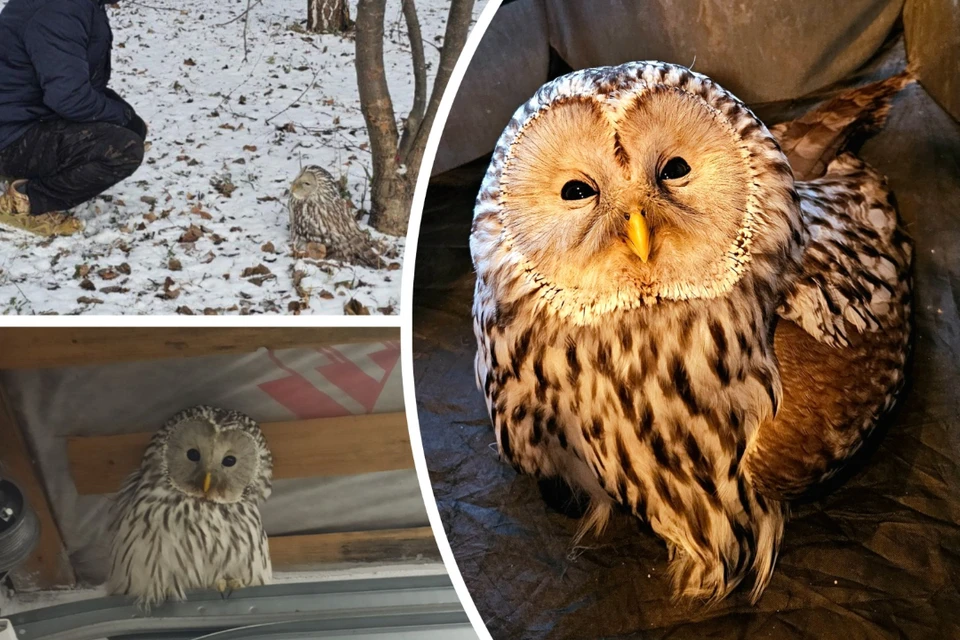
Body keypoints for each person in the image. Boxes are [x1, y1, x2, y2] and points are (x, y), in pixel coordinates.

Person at [0, 0, 148, 237]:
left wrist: (123, 115)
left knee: (131, 126)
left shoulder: (78, 5)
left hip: (25, 115)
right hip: (11, 135)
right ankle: (24, 203)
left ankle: (34, 174)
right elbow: (69, 98)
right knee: (123, 148)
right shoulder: (59, 10)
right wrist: (121, 116)